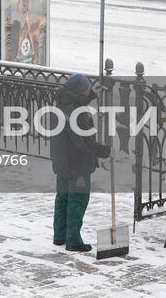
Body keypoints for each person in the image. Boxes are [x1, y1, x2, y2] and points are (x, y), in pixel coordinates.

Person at [50, 73, 110, 252]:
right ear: (80, 91)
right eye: (87, 89)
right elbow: (84, 142)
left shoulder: (61, 104)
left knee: (63, 198)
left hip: (62, 162)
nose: (89, 91)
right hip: (77, 164)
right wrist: (105, 151)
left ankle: (59, 236)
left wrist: (93, 95)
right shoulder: (78, 112)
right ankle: (73, 240)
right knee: (77, 201)